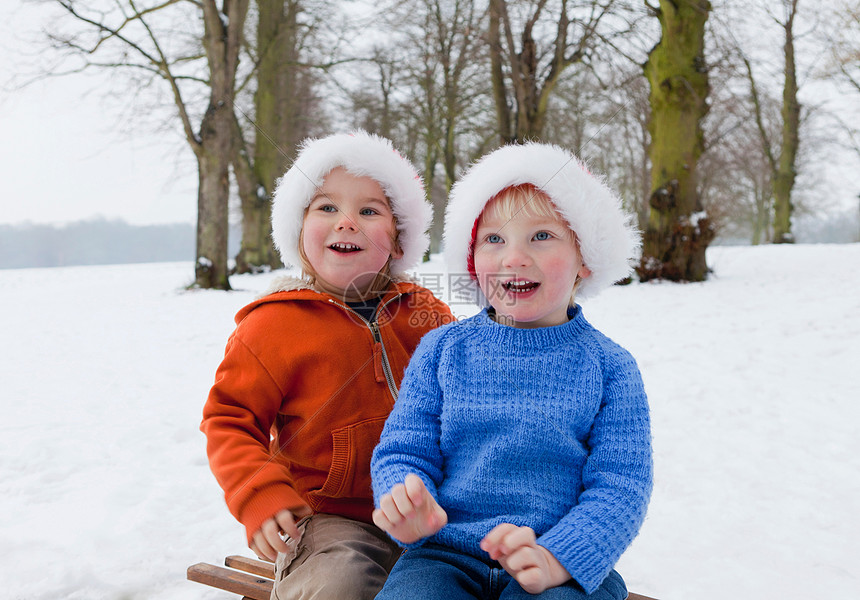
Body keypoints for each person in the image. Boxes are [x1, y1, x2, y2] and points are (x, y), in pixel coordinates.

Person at [370, 142, 653, 600]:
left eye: (541, 236)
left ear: (585, 259)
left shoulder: (609, 367)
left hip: (560, 563)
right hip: (444, 556)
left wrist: (561, 557)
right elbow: (405, 447)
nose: (513, 257)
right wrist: (406, 495)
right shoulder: (442, 350)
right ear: (471, 260)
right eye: (494, 239)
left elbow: (621, 487)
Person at [201, 130, 454, 600]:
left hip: (428, 510)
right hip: (330, 520)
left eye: (369, 210)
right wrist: (260, 494)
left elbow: (470, 397)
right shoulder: (273, 325)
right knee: (342, 584)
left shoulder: (427, 314)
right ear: (298, 232)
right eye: (326, 207)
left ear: (399, 241)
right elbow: (229, 420)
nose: (347, 223)